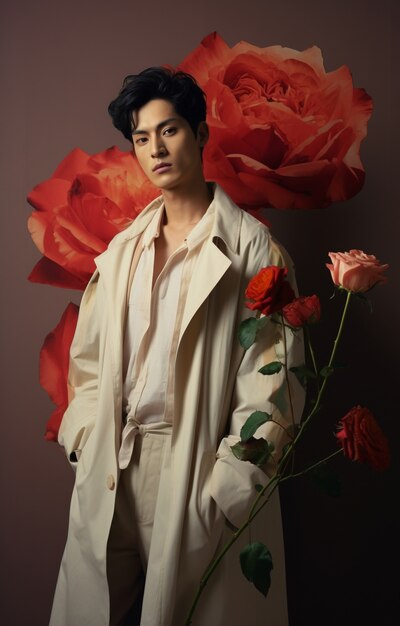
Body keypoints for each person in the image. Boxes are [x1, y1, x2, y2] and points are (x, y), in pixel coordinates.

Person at [49, 67, 305, 626]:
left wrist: (228, 488)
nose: (156, 148)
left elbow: (274, 380)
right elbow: (86, 367)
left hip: (195, 467)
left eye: (170, 131)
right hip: (114, 460)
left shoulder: (253, 249)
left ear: (200, 133)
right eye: (141, 138)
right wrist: (86, 438)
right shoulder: (122, 253)